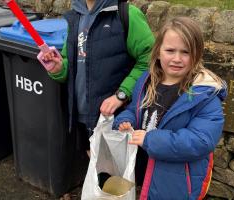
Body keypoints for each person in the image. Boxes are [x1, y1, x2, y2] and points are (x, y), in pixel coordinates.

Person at [42, 0, 154, 199]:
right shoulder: (75, 16)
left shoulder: (126, 15)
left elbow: (150, 59)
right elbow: (71, 66)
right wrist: (58, 69)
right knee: (97, 170)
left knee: (117, 179)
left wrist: (121, 94)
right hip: (81, 117)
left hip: (115, 118)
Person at [113, 17, 227, 200]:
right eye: (170, 50)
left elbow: (201, 141)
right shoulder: (146, 81)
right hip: (142, 170)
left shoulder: (205, 94)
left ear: (197, 55)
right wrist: (125, 120)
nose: (177, 59)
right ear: (158, 51)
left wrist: (150, 140)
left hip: (175, 183)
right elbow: (135, 109)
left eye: (186, 52)